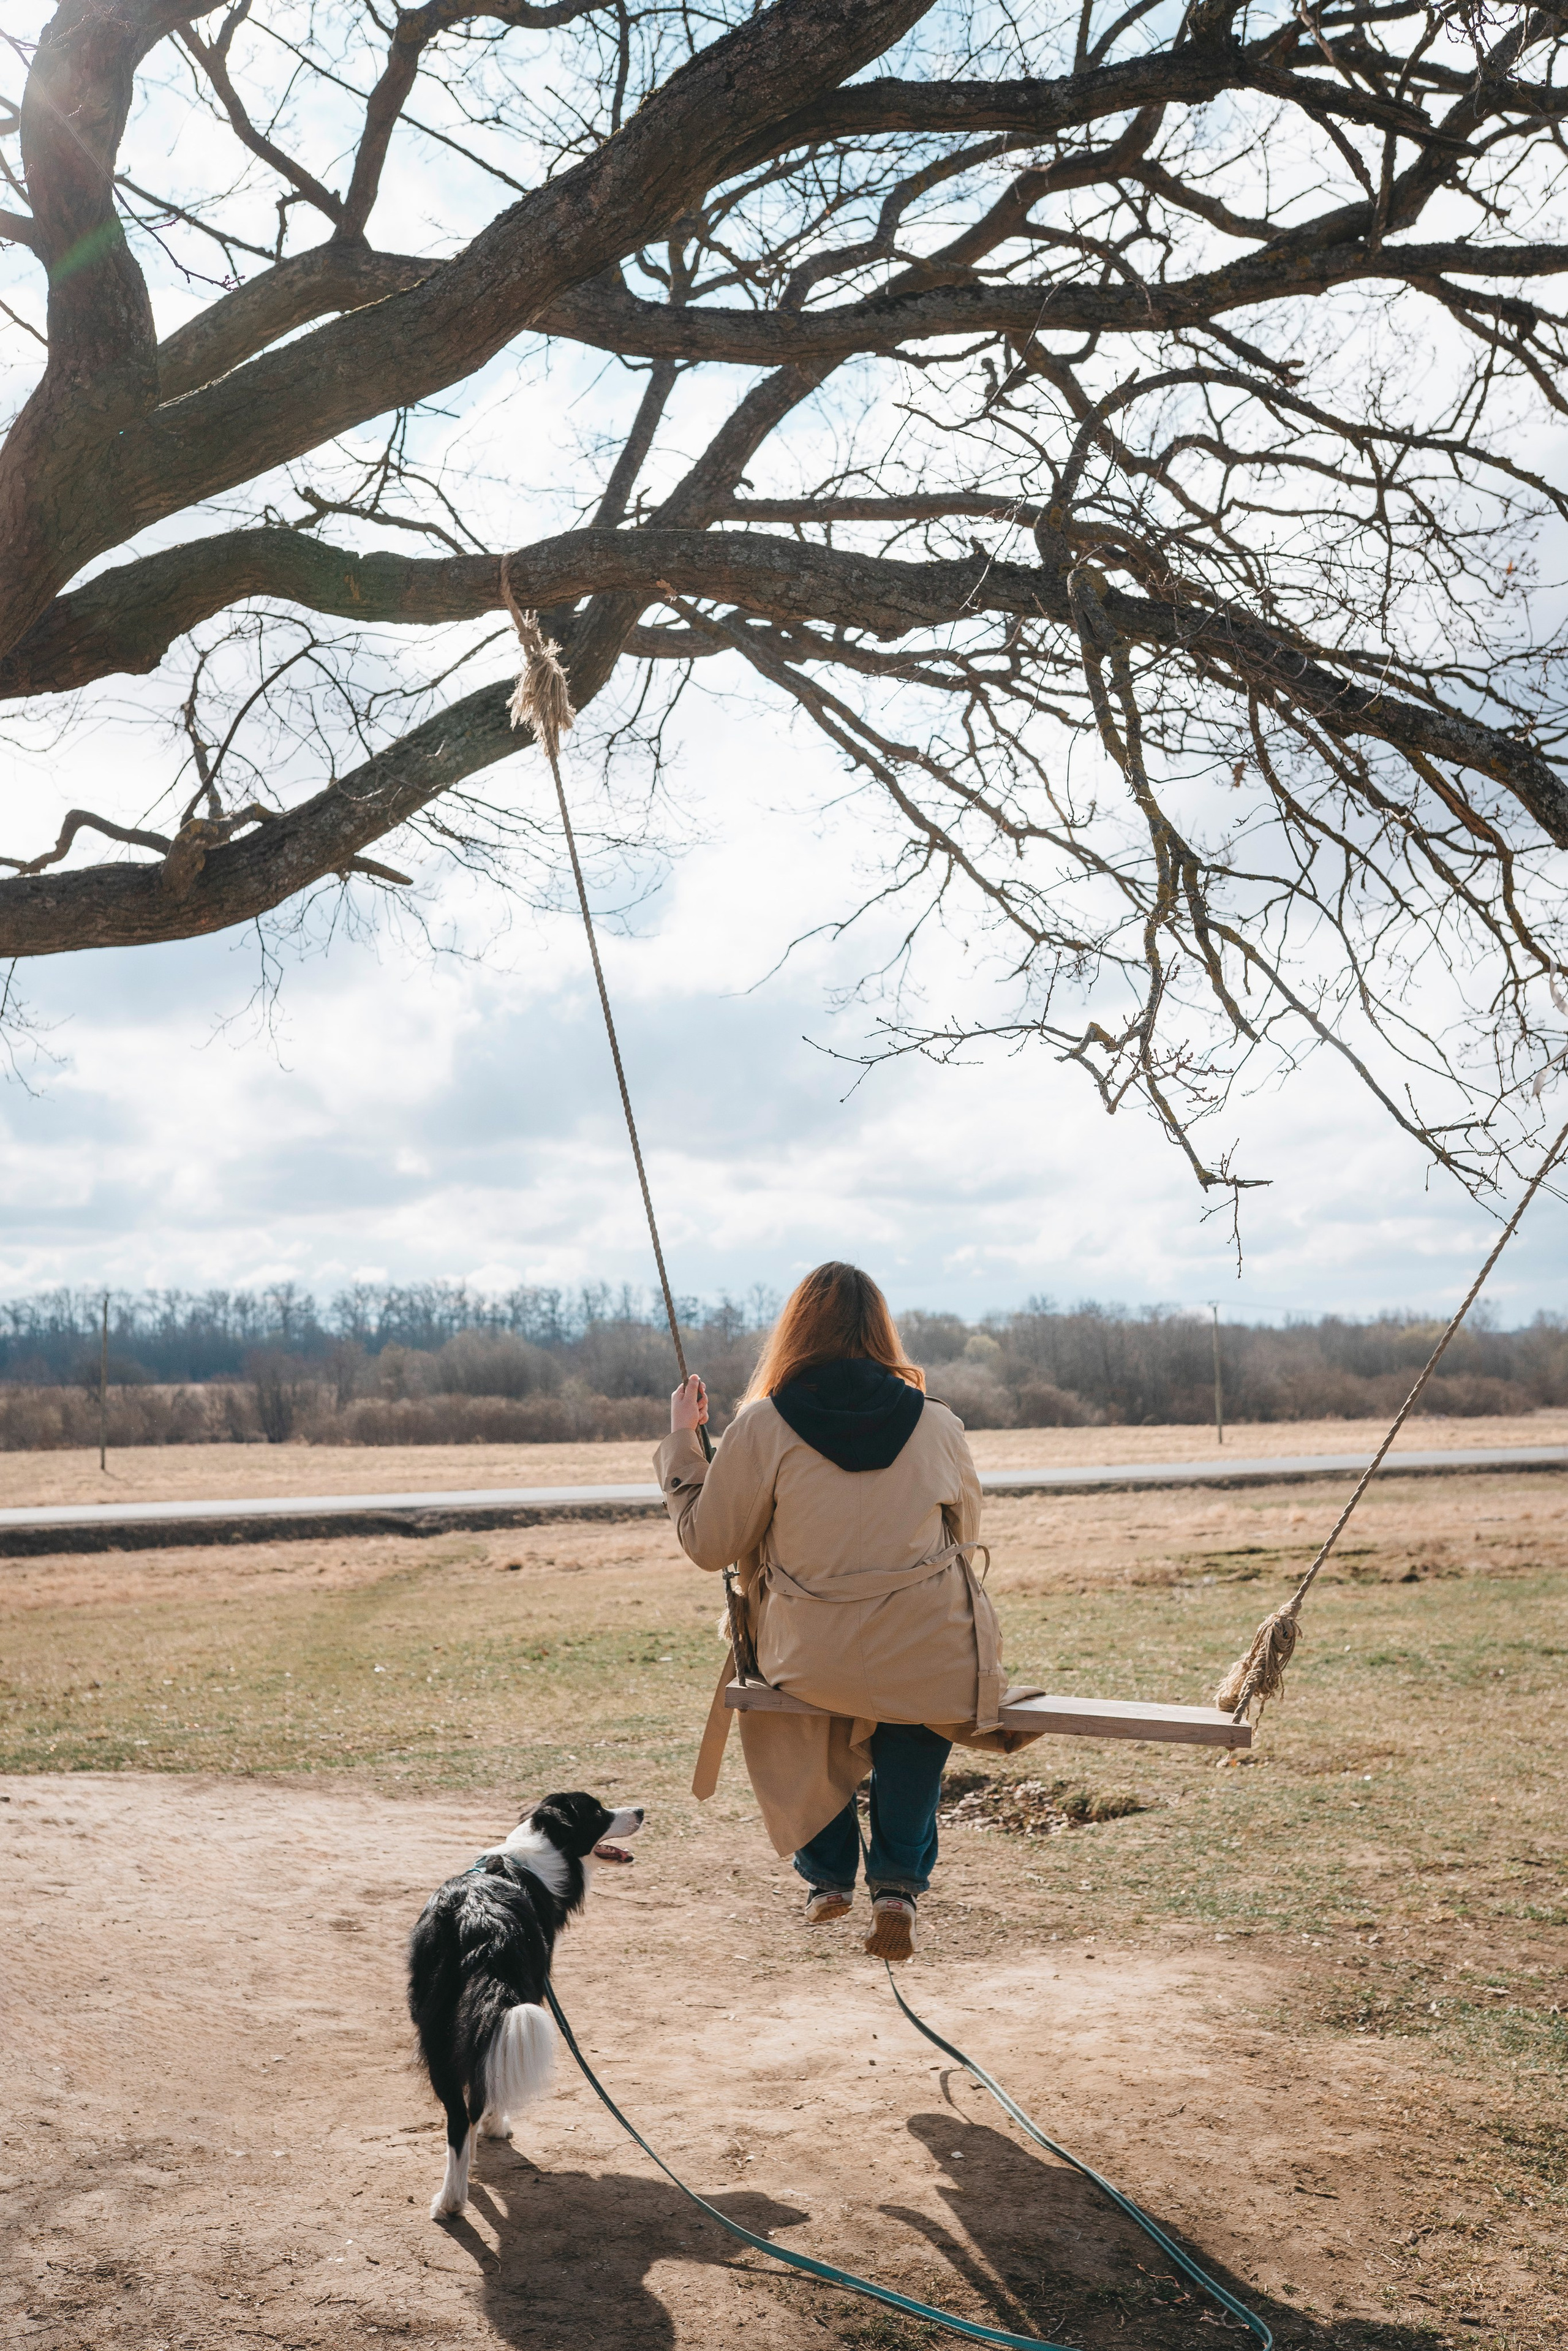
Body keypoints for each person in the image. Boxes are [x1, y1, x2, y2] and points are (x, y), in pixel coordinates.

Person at [654, 1261, 1039, 1963]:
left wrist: (686, 1443)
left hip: (810, 1653)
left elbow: (710, 1545)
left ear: (794, 1332)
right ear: (881, 1331)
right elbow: (966, 1535)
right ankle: (896, 1885)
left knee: (790, 1708)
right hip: (929, 1647)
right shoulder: (939, 1422)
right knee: (920, 1710)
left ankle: (826, 1874)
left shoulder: (762, 1427)